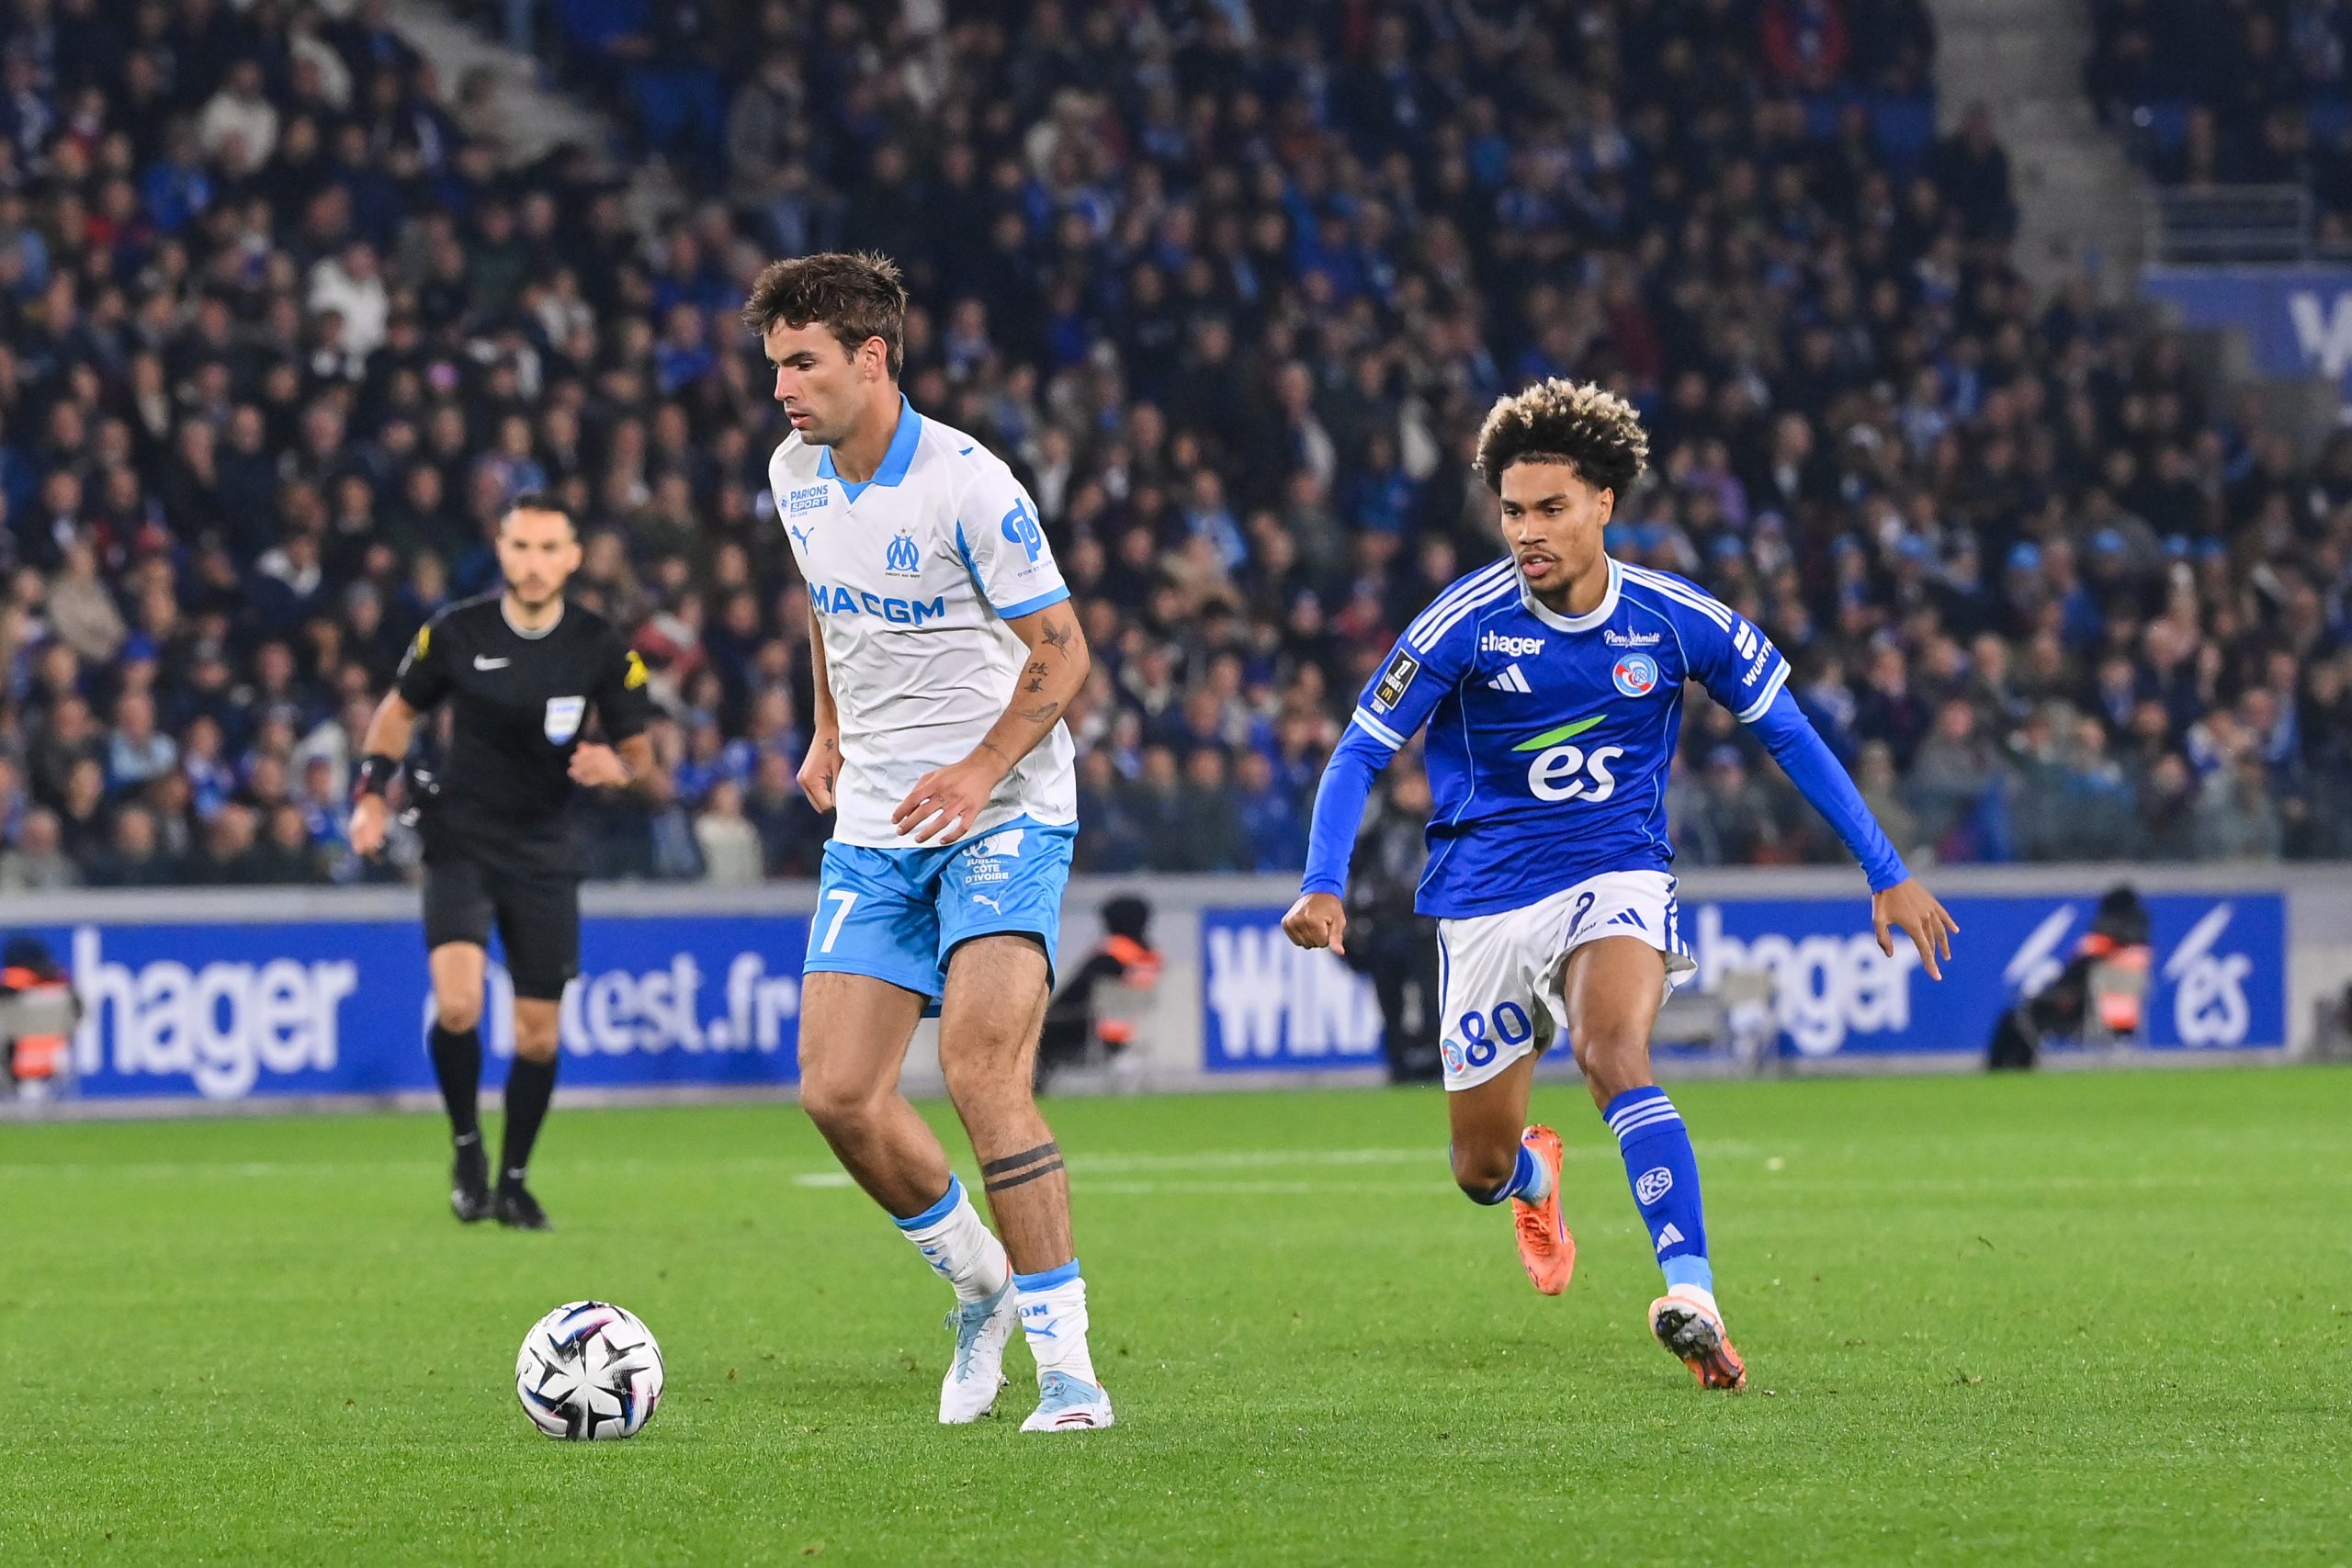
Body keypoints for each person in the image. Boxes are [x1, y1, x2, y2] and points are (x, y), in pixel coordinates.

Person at [1283, 380, 1959, 1392]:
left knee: (1613, 1052)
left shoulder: (1674, 620)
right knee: (1477, 1168)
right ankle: (1534, 1176)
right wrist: (1323, 883)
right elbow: (1356, 754)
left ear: (1603, 503)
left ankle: (1692, 1294)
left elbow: (1788, 732)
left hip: (1614, 871)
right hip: (1481, 898)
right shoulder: (1464, 622)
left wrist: (1886, 869)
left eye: (1550, 508)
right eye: (1512, 511)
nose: (1527, 531)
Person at [747, 253, 1109, 1432]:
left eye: (803, 364)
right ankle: (979, 1283)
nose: (784, 389)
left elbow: (1063, 651)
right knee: (837, 1093)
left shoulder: (970, 485)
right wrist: (827, 727)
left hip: (1002, 814)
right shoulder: (793, 473)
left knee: (979, 1072)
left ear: (872, 357)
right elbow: (825, 602)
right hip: (877, 819)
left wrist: (981, 768)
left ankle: (1070, 1374)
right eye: (774, 367)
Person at [348, 497, 658, 1232]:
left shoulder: (601, 647)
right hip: (460, 839)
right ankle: (466, 1150)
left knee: (539, 1036)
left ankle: (514, 1179)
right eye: (521, 546)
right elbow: (397, 712)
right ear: (502, 549)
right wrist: (369, 796)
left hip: (545, 851)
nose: (534, 561)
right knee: (458, 1006)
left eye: (550, 547)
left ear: (573, 557)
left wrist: (615, 766)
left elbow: (642, 757)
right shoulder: (456, 631)